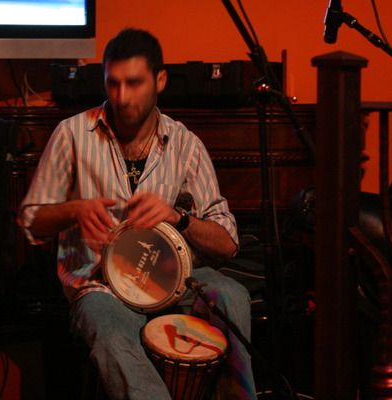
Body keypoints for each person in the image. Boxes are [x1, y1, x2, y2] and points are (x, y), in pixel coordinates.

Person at [18, 28, 257, 399]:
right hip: (100, 285)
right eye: (112, 83)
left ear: (160, 80)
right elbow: (31, 220)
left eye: (134, 83)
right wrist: (74, 210)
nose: (121, 96)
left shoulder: (185, 144)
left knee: (232, 297)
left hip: (176, 281)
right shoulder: (72, 134)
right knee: (111, 330)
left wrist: (178, 218)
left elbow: (227, 244)